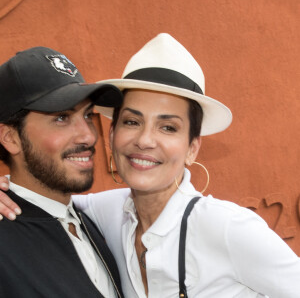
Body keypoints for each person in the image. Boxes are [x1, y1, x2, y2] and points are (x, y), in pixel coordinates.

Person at [0, 34, 299, 297]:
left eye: (168, 128)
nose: (145, 140)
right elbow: (41, 201)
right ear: (114, 134)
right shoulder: (105, 215)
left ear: (192, 148)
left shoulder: (229, 227)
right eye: (132, 121)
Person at [0, 47, 124, 298]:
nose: (89, 136)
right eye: (61, 118)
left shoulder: (92, 221)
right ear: (10, 138)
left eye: (88, 115)